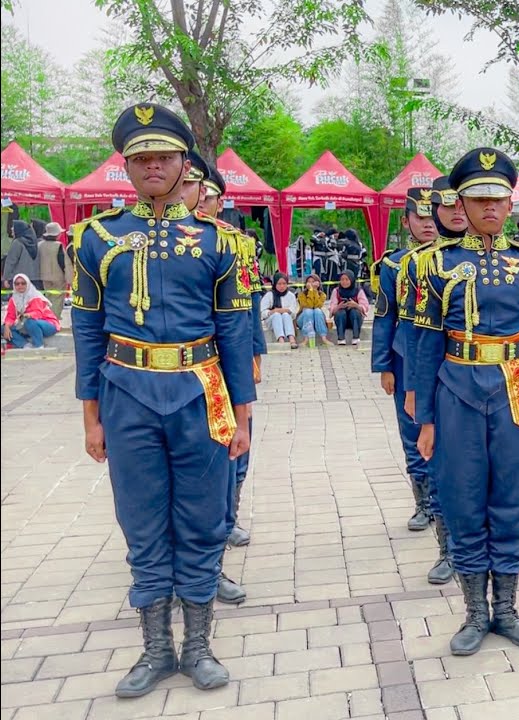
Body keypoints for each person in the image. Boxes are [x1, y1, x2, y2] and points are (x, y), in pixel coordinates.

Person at [71, 103, 254, 696]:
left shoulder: (218, 243)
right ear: (126, 165)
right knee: (143, 523)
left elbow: (233, 330)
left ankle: (198, 647)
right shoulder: (97, 238)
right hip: (127, 396)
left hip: (201, 394)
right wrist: (91, 416)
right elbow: (87, 330)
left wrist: (243, 415)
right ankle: (155, 650)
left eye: (164, 156)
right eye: (141, 157)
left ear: (184, 163)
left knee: (201, 522)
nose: (153, 165)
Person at [409, 147, 519, 656]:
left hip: (518, 389)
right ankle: (475, 612)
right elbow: (426, 344)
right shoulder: (435, 264)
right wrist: (424, 418)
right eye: (479, 199)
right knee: (462, 497)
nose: (490, 207)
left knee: (514, 499)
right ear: (462, 203)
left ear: (510, 203)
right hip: (458, 390)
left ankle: (508, 610)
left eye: (498, 198)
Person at [193, 156, 266, 588]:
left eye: (210, 195)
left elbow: (251, 308)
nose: (202, 200)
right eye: (196, 191)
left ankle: (228, 517)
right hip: (184, 369)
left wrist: (255, 356)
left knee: (236, 445)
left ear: (222, 202)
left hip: (228, 364)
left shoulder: (238, 246)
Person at [397, 177, 468, 583]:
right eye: (448, 207)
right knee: (438, 464)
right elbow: (412, 333)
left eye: (463, 205)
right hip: (435, 380)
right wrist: (412, 388)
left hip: (477, 377)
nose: (457, 213)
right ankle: (447, 549)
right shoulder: (418, 263)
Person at [372, 187, 439, 535]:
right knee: (411, 428)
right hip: (405, 356)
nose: (428, 224)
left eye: (432, 215)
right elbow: (384, 317)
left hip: (444, 357)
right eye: (420, 217)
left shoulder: (452, 260)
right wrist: (383, 365)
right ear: (406, 221)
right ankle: (423, 503)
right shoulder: (393, 264)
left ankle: (444, 502)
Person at [4, 273, 61, 348]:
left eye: (23, 283)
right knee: (3, 328)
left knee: (29, 322)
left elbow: (38, 313)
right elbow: (10, 316)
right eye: (17, 284)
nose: (20, 286)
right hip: (25, 325)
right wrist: (7, 326)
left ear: (28, 284)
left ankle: (39, 345)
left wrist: (27, 315)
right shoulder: (14, 299)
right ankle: (25, 345)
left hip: (47, 324)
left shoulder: (35, 296)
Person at [329, 270, 369, 345]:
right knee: (340, 312)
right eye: (342, 280)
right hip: (341, 319)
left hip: (355, 319)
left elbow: (365, 306)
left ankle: (356, 337)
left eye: (347, 279)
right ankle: (341, 338)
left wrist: (356, 305)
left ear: (351, 280)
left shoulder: (358, 290)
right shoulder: (336, 291)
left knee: (354, 311)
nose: (344, 282)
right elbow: (332, 307)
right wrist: (339, 307)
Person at [260, 273, 299, 346]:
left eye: (284, 284)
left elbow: (293, 312)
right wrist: (273, 311)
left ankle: (291, 338)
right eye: (279, 284)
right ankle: (281, 339)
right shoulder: (269, 295)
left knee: (285, 315)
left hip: (287, 320)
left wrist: (281, 310)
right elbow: (263, 312)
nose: (282, 286)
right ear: (275, 284)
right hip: (271, 321)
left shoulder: (291, 295)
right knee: (277, 315)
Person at [36, 222, 72, 294]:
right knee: (58, 299)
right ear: (57, 234)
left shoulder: (39, 245)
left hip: (44, 276)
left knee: (48, 297)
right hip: (58, 277)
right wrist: (69, 278)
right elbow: (64, 263)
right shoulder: (58, 246)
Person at [4, 220, 41, 288]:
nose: (12, 229)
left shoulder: (17, 243)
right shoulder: (35, 242)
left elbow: (11, 262)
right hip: (35, 278)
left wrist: (6, 278)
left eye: (14, 227)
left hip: (19, 279)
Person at [296, 274, 330, 346]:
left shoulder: (322, 295)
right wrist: (311, 291)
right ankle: (306, 339)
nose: (311, 284)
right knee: (308, 311)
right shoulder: (301, 294)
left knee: (317, 311)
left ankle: (324, 338)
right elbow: (309, 306)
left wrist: (315, 291)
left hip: (317, 319)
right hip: (303, 318)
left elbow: (317, 306)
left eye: (313, 282)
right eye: (309, 282)